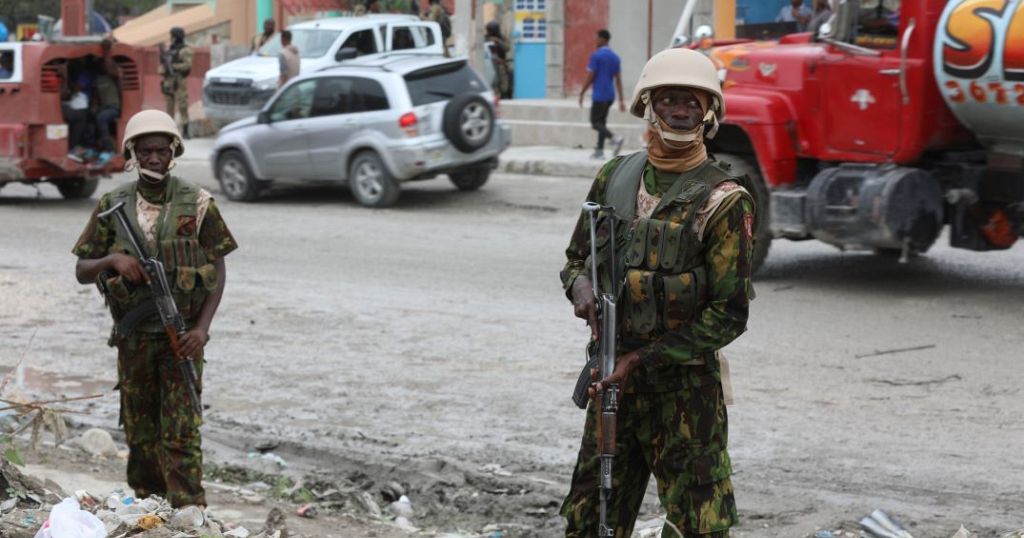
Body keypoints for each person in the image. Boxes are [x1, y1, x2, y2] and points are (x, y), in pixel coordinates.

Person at [559, 48, 756, 538]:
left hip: (686, 395)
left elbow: (728, 316)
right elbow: (576, 260)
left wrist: (643, 359)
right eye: (670, 98)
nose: (681, 110)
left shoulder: (724, 199)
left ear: (709, 112)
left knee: (700, 527)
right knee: (590, 518)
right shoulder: (614, 177)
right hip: (613, 382)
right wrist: (581, 288)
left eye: (693, 101)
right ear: (649, 105)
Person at [72, 109, 237, 509]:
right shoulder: (114, 203)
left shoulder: (196, 202)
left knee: (181, 430)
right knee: (140, 430)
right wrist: (113, 261)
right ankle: (150, 506)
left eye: (161, 151)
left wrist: (201, 330)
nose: (154, 159)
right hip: (134, 340)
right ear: (133, 153)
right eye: (145, 151)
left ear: (173, 151)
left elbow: (217, 266)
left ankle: (188, 511)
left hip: (181, 338)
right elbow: (82, 269)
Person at [579, 29, 625, 160]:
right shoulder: (615, 57)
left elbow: (590, 76)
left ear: (604, 40)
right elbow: (618, 80)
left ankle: (615, 138)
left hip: (599, 95)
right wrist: (621, 100)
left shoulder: (596, 56)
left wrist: (582, 92)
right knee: (602, 123)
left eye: (597, 38)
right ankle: (599, 151)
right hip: (610, 95)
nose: (596, 41)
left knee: (595, 123)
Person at [162, 27, 193, 139]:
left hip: (179, 81)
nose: (171, 38)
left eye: (173, 36)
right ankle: (170, 130)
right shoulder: (169, 50)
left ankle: (185, 131)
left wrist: (173, 67)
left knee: (182, 105)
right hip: (168, 81)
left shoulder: (186, 50)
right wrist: (164, 68)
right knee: (169, 106)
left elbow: (187, 65)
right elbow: (161, 66)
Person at [93, 39, 121, 160]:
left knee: (101, 118)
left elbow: (111, 70)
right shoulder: (97, 79)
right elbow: (95, 98)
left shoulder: (111, 76)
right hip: (103, 108)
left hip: (114, 108)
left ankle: (109, 148)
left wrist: (106, 52)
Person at [484, 21, 511, 99]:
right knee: (492, 83)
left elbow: (507, 48)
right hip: (490, 64)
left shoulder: (501, 38)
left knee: (504, 84)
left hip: (501, 64)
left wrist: (498, 41)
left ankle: (505, 96)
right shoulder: (485, 38)